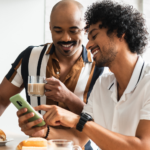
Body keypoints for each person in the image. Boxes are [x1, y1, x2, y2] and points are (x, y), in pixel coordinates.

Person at [35, 0, 150, 150]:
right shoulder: (102, 84)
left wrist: (77, 121)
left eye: (94, 36)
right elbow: (79, 138)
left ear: (120, 33)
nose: (88, 45)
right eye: (88, 38)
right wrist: (44, 131)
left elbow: (143, 146)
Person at [0, 0, 103, 149]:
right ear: (50, 27)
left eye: (73, 31)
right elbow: (2, 98)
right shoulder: (30, 56)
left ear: (85, 28)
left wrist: (67, 97)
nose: (66, 38)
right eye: (58, 30)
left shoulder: (99, 65)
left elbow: (99, 122)